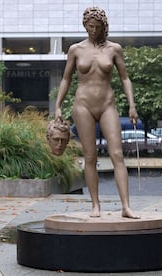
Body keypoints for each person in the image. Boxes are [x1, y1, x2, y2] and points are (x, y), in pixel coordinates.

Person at [55, 6, 139, 219]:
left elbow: (125, 78)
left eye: (97, 27)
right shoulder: (76, 49)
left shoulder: (114, 49)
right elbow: (66, 78)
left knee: (117, 155)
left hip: (107, 104)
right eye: (90, 26)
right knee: (90, 156)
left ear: (104, 27)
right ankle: (95, 205)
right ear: (85, 26)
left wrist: (132, 105)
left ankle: (126, 207)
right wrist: (57, 105)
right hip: (82, 105)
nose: (93, 30)